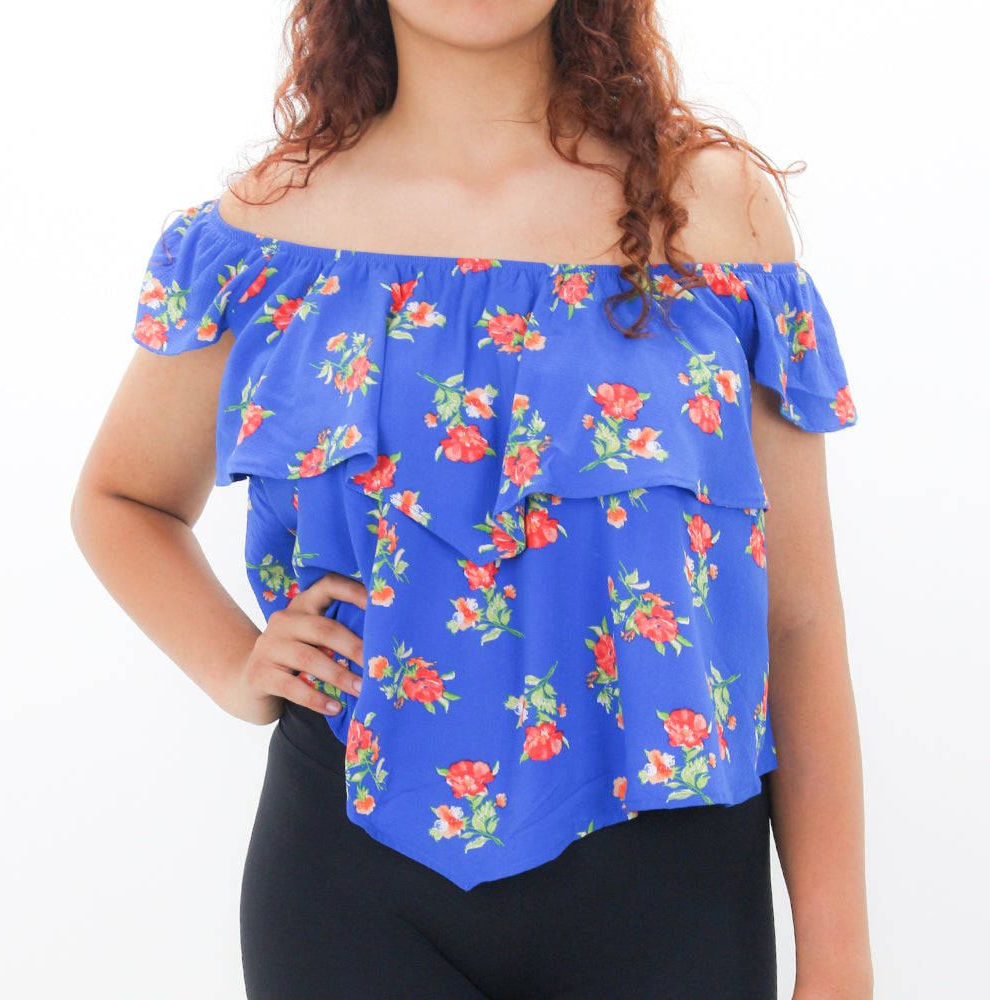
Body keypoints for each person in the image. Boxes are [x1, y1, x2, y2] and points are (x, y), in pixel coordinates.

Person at [70, 1, 873, 997]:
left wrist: (838, 958)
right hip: (350, 887)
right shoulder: (270, 230)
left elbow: (797, 618)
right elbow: (121, 499)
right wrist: (237, 667)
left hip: (671, 883)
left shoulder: (712, 214)